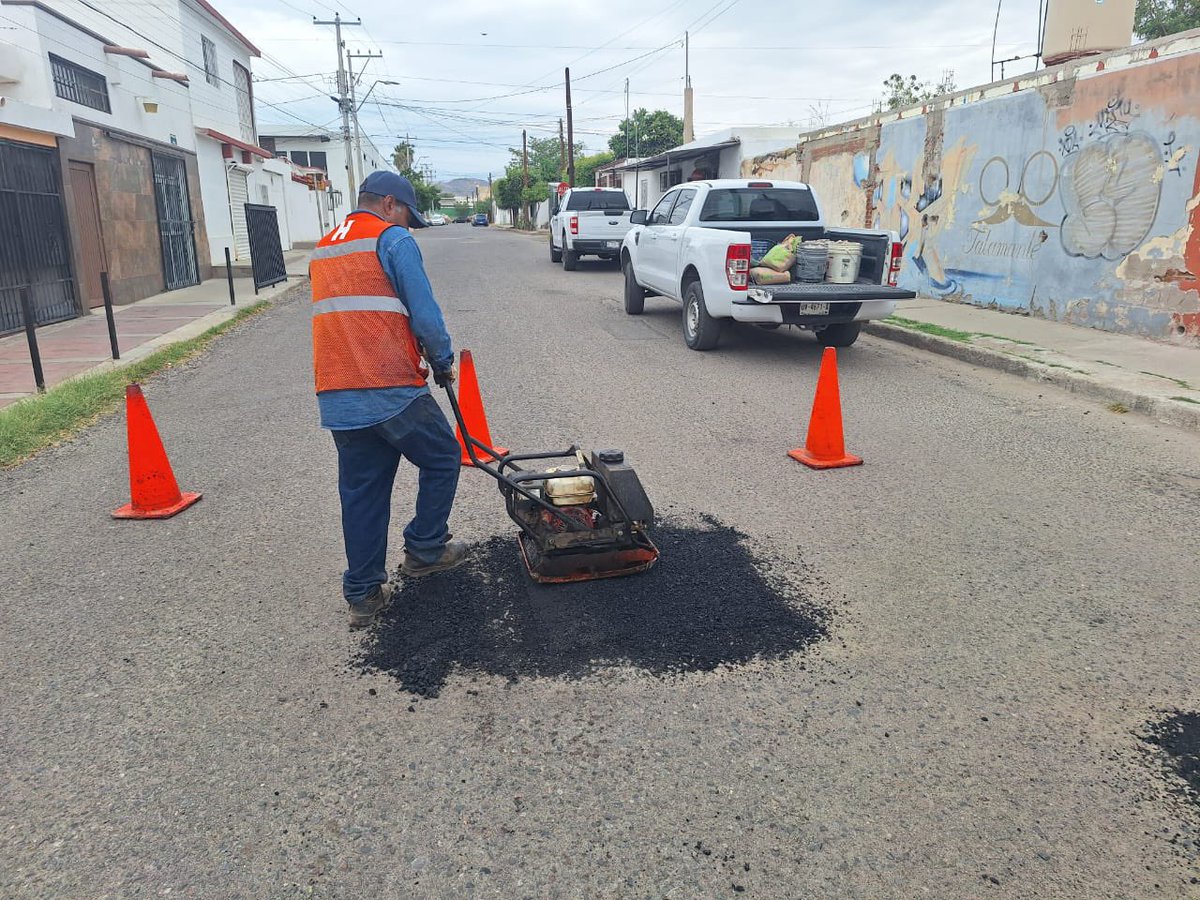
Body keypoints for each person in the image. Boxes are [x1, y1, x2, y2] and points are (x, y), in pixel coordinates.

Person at [309, 171, 469, 629]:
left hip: (338, 393)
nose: (407, 223)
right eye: (405, 214)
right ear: (387, 204)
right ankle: (424, 548)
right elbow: (424, 311)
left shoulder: (325, 247)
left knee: (363, 491)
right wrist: (441, 359)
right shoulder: (391, 239)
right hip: (389, 385)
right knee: (442, 456)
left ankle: (363, 594)